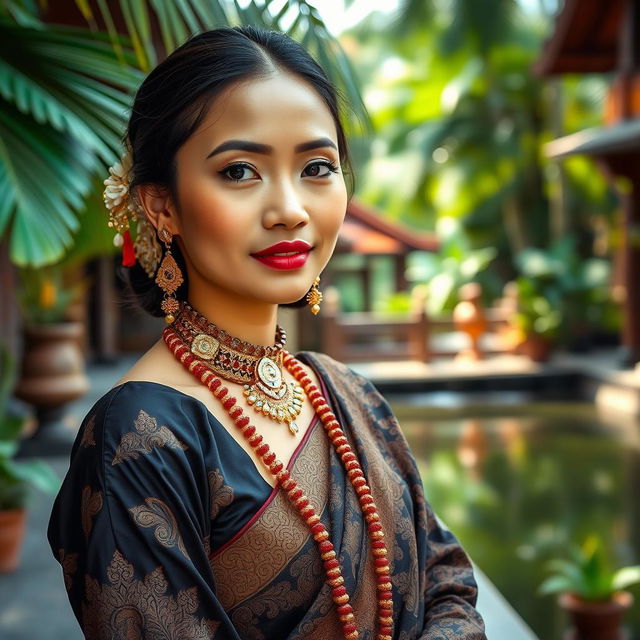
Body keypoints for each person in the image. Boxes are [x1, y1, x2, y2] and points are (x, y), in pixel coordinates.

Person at [48, 26, 486, 640]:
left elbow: (448, 582)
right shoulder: (141, 436)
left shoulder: (346, 394)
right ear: (161, 205)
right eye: (239, 171)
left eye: (316, 166)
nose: (290, 208)